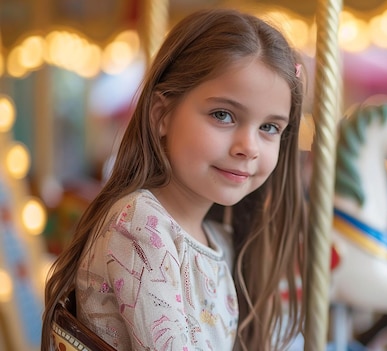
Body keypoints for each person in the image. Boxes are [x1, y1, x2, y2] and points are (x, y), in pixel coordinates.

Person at [42, 8, 309, 351]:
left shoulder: (217, 238)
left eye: (269, 127)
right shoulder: (141, 224)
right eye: (223, 115)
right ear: (162, 114)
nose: (249, 147)